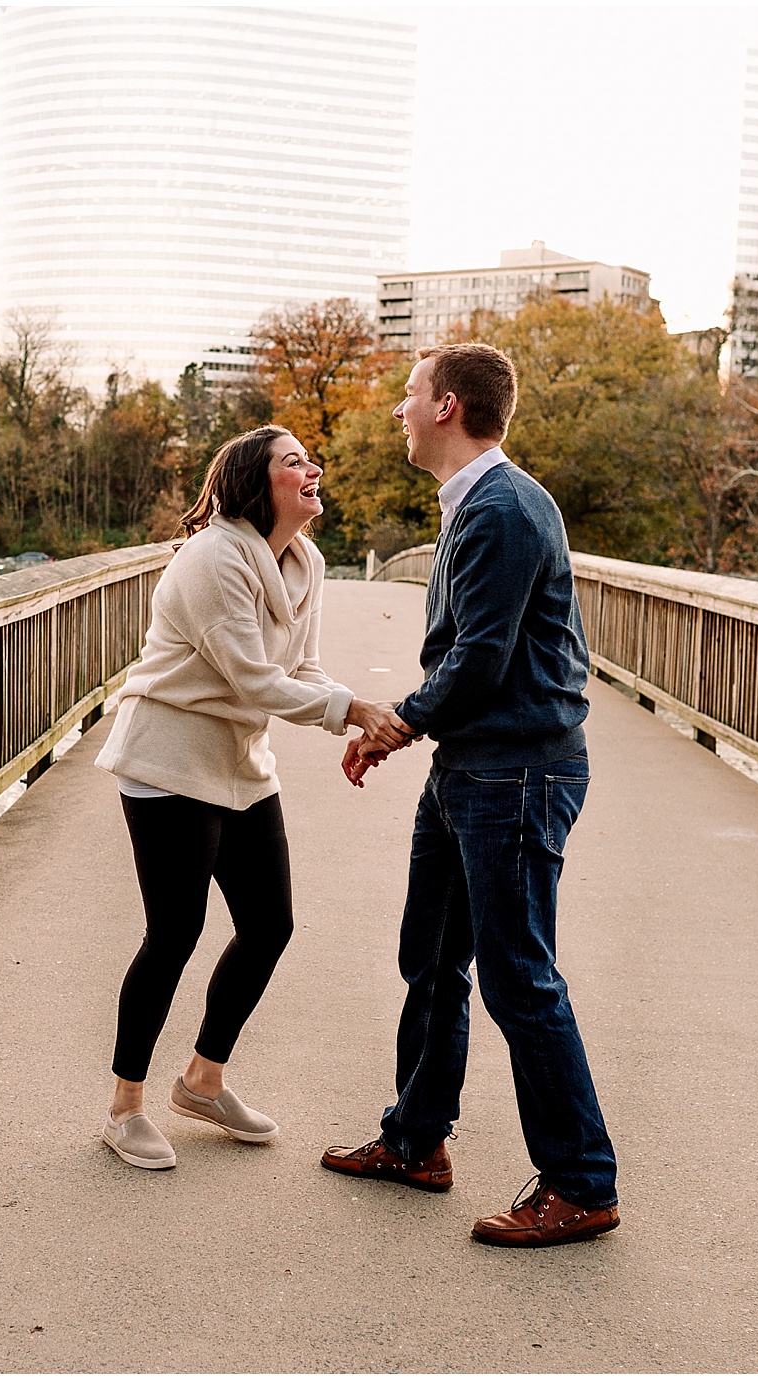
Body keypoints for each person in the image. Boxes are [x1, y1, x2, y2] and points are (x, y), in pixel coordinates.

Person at [323, 342, 621, 1247]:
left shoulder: (501, 509)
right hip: (475, 767)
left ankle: (581, 1184)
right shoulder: (475, 505)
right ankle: (416, 1142)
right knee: (433, 958)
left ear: (448, 406)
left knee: (520, 979)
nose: (399, 411)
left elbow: (480, 659)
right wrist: (418, 730)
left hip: (515, 773)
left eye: (410, 396)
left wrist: (393, 723)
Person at [94, 425, 405, 1171]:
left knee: (270, 924)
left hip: (239, 761)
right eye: (293, 461)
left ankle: (203, 1080)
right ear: (252, 483)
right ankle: (124, 1107)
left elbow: (301, 666)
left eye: (309, 459)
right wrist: (355, 711)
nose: (313, 468)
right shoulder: (212, 557)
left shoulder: (305, 559)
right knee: (175, 933)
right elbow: (251, 678)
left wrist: (345, 722)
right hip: (169, 758)